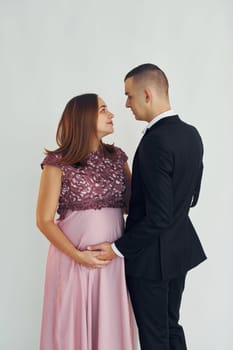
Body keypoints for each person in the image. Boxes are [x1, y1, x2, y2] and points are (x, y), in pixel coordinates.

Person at [88, 64, 207, 350]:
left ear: (147, 94)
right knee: (170, 326)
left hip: (152, 259)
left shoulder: (155, 141)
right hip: (180, 249)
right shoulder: (191, 134)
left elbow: (158, 215)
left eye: (129, 96)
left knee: (154, 336)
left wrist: (118, 248)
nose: (126, 104)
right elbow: (193, 195)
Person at [36, 93, 136, 350]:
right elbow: (44, 220)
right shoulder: (57, 163)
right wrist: (79, 257)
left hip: (113, 260)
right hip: (72, 260)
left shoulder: (118, 158)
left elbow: (134, 206)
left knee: (110, 327)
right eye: (103, 109)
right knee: (71, 328)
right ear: (83, 118)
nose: (112, 114)